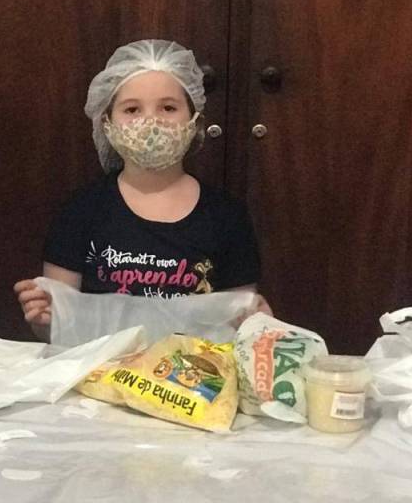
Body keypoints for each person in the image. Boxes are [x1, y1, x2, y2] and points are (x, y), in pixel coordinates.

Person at [14, 39, 269, 340]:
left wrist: (257, 323)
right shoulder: (81, 211)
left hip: (190, 369)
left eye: (169, 107)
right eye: (132, 109)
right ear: (107, 124)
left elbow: (239, 323)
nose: (151, 122)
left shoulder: (226, 216)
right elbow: (59, 327)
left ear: (195, 121)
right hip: (101, 368)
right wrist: (43, 318)